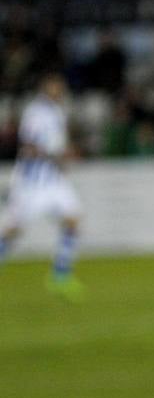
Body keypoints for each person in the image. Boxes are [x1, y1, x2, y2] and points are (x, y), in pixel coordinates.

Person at [0, 73, 84, 300]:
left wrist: (61, 158)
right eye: (55, 87)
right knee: (12, 231)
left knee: (73, 219)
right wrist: (55, 155)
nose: (59, 90)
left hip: (53, 180)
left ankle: (60, 276)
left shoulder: (57, 111)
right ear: (46, 88)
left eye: (61, 87)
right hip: (31, 182)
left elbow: (55, 145)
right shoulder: (35, 112)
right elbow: (28, 146)